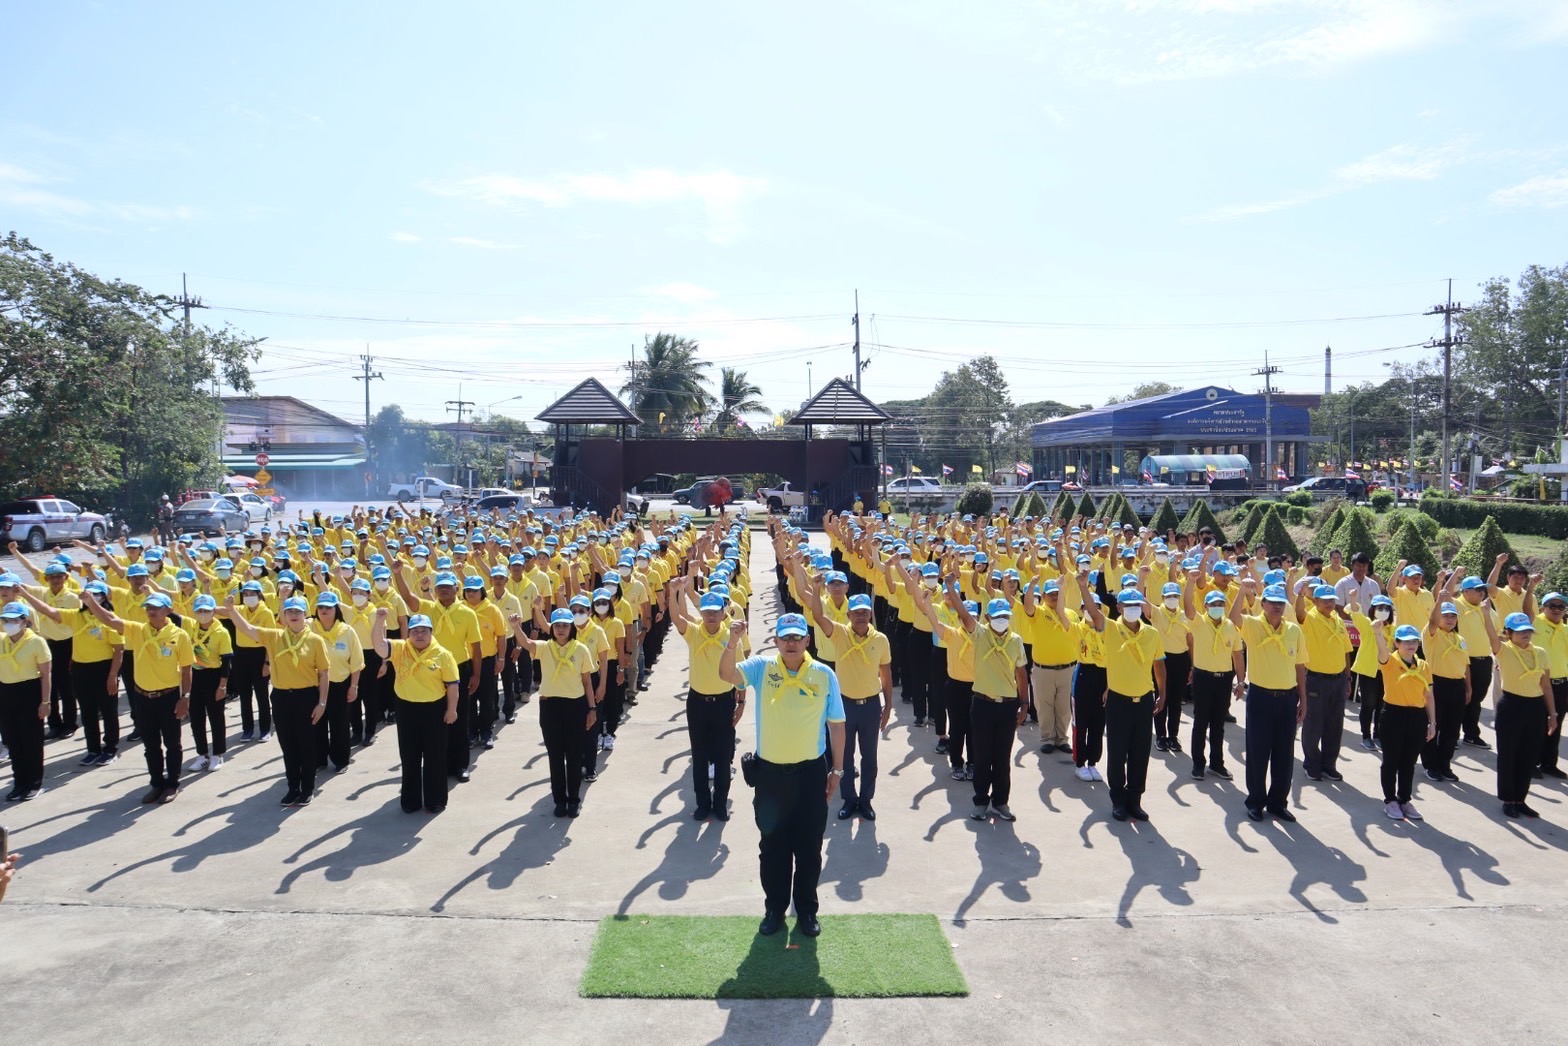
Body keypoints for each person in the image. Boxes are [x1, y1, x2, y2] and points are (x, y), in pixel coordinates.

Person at [719, 613, 845, 939]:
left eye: (797, 637)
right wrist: (732, 641)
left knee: (809, 846)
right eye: (785, 637)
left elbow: (837, 725)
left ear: (807, 641)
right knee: (772, 847)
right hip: (772, 777)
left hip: (810, 774)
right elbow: (726, 674)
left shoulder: (823, 674)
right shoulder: (762, 668)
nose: (791, 643)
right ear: (776, 641)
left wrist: (838, 770)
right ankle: (775, 907)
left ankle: (806, 910)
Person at [79, 589, 192, 804]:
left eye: (156, 607)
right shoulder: (139, 630)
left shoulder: (180, 635)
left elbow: (187, 669)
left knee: (172, 743)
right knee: (150, 745)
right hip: (142, 697)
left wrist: (185, 696)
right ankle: (156, 783)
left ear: (168, 610)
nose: (151, 611)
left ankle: (172, 784)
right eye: (148, 607)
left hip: (168, 697)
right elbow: (111, 619)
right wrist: (91, 602)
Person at [227, 595, 330, 807]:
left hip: (307, 696)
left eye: (298, 612)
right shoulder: (274, 636)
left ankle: (308, 788)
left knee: (307, 744)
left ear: (305, 615)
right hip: (282, 697)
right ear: (283, 616)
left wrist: (322, 703)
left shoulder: (315, 640)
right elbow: (248, 629)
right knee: (288, 744)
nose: (293, 616)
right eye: (289, 612)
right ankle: (293, 787)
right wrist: (231, 610)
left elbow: (324, 673)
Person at [1080, 586, 1166, 822]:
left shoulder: (1151, 634)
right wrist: (1081, 585)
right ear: (1118, 608)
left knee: (1140, 754)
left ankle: (1135, 799)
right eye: (1128, 606)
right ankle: (1118, 800)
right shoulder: (1110, 628)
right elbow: (1093, 612)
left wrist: (1162, 693)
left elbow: (1159, 663)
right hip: (1118, 701)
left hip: (1143, 700)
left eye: (1136, 606)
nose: (1133, 610)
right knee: (1117, 753)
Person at [18, 580, 122, 766]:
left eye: (96, 594)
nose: (90, 597)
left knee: (108, 711)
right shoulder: (76, 616)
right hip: (81, 669)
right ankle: (93, 749)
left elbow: (119, 650)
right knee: (88, 711)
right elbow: (48, 611)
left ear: (104, 596)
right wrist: (25, 595)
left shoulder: (110, 618)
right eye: (88, 594)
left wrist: (113, 675)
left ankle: (110, 748)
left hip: (104, 668)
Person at [1231, 581, 1308, 823]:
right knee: (1258, 752)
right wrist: (1243, 591)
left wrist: (1303, 700)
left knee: (1284, 755)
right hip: (1261, 698)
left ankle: (1277, 803)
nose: (1276, 606)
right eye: (1271, 602)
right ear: (1262, 604)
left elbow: (1300, 667)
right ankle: (1255, 801)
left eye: (1280, 603)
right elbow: (1233, 617)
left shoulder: (1294, 631)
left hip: (1287, 699)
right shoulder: (1253, 625)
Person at [509, 607, 596, 817]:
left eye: (565, 625)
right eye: (557, 625)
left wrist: (592, 708)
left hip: (575, 706)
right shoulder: (545, 648)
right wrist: (515, 627)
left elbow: (587, 681)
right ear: (552, 628)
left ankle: (574, 799)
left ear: (571, 628)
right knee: (555, 756)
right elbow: (527, 643)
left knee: (574, 756)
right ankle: (559, 800)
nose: (561, 629)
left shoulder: (581, 649)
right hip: (550, 707)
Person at [372, 609, 459, 813]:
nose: (419, 635)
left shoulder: (443, 655)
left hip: (435, 709)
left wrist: (452, 709)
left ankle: (435, 799)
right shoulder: (401, 649)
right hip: (406, 708)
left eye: (424, 631)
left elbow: (453, 685)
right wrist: (379, 621)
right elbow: (379, 646)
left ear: (431, 633)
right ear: (408, 634)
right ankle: (410, 801)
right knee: (409, 756)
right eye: (415, 631)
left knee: (435, 757)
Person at [952, 591, 1029, 822]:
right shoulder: (980, 634)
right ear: (987, 617)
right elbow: (964, 616)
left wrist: (1024, 704)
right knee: (983, 756)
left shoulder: (1015, 640)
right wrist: (952, 587)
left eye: (1005, 615)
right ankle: (981, 801)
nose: (1001, 620)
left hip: (1007, 707)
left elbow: (1022, 673)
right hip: (983, 704)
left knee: (1002, 757)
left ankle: (1000, 802)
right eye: (997, 616)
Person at [668, 579, 741, 821]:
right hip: (697, 702)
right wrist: (675, 591)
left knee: (722, 756)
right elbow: (677, 617)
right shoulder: (694, 633)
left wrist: (741, 702)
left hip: (724, 702)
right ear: (702, 613)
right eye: (706, 611)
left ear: (723, 613)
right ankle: (702, 803)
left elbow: (739, 671)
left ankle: (720, 804)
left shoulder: (732, 637)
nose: (710, 615)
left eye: (715, 611)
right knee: (699, 756)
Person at [818, 590, 892, 820]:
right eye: (856, 612)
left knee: (869, 757)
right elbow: (819, 616)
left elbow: (886, 673)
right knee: (845, 756)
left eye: (865, 612)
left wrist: (888, 705)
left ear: (870, 614)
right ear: (848, 614)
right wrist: (814, 588)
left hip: (870, 706)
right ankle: (849, 799)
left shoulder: (880, 640)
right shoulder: (840, 634)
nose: (861, 616)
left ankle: (866, 800)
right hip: (844, 706)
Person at [1491, 612, 1556, 818]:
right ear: (1509, 633)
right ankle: (1508, 800)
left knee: (1528, 755)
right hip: (1511, 705)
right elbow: (1491, 636)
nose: (1525, 634)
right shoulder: (1504, 650)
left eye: (1528, 630)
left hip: (1535, 707)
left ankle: (1520, 799)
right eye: (1519, 631)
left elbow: (1545, 685)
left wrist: (1552, 714)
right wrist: (1485, 613)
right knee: (1508, 754)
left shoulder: (1540, 652)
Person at [1374, 623, 1437, 820]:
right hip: (1393, 715)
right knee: (1391, 760)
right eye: (1406, 641)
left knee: (1409, 762)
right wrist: (1377, 632)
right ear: (1397, 643)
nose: (1411, 645)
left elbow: (1429, 696)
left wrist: (1432, 722)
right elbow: (1382, 652)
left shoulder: (1423, 666)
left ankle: (1404, 799)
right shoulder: (1390, 662)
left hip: (1417, 717)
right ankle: (1390, 800)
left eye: (1414, 641)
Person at [1183, 584, 1243, 780]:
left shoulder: (1230, 626)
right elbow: (1188, 606)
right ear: (1206, 606)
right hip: (1203, 678)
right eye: (1213, 604)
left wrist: (1241, 681)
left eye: (1221, 604)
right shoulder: (1199, 622)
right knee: (1201, 722)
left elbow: (1237, 654)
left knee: (1218, 723)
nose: (1218, 607)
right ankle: (1197, 764)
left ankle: (1217, 764)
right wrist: (1190, 583)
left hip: (1224, 679)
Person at [1296, 583, 1353, 783]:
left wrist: (1347, 677)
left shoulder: (1337, 620)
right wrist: (1301, 595)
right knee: (1313, 724)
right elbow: (1299, 614)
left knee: (1334, 725)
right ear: (1316, 601)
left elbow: (1346, 650)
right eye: (1325, 600)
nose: (1330, 603)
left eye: (1332, 600)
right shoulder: (1310, 618)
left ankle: (1329, 765)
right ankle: (1312, 764)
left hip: (1337, 680)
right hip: (1316, 680)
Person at [0, 602, 51, 802]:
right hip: (5, 692)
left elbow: (46, 674)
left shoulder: (37, 642)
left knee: (31, 741)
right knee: (13, 741)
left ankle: (34, 783)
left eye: (14, 620)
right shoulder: (2, 640)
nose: (9, 624)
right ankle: (19, 782)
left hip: (29, 692)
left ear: (25, 621)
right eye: (5, 620)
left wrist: (45, 702)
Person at [311, 592, 364, 775]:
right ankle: (319, 759)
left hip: (340, 684)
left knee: (339, 724)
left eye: (328, 607)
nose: (324, 610)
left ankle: (341, 759)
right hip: (314, 685)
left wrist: (354, 686)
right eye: (321, 607)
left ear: (336, 610)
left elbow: (356, 662)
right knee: (316, 723)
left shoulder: (347, 632)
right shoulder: (309, 628)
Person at [1419, 594, 1468, 784]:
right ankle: (1430, 765)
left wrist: (1468, 687)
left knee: (1452, 729)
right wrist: (1439, 601)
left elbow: (1466, 664)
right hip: (1436, 684)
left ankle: (1444, 764)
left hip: (1457, 685)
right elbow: (1432, 621)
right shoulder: (1432, 634)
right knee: (1433, 726)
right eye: (1445, 616)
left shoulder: (1461, 639)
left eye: (1452, 616)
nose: (1449, 619)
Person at [183, 594, 234, 772]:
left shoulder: (221, 632)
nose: (203, 614)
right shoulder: (191, 628)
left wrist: (222, 686)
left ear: (214, 612)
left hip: (214, 676)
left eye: (206, 610)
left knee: (216, 717)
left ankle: (217, 754)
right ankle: (202, 754)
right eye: (199, 611)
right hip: (195, 675)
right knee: (196, 717)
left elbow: (226, 661)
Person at [1531, 591, 1568, 780]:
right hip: (1538, 683)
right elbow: (1526, 607)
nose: (1556, 610)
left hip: (1561, 684)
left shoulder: (1565, 629)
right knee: (1536, 725)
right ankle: (1531, 763)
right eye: (1552, 605)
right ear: (1543, 607)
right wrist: (1531, 587)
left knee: (1556, 724)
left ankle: (1548, 764)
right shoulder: (1534, 623)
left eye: (1561, 606)